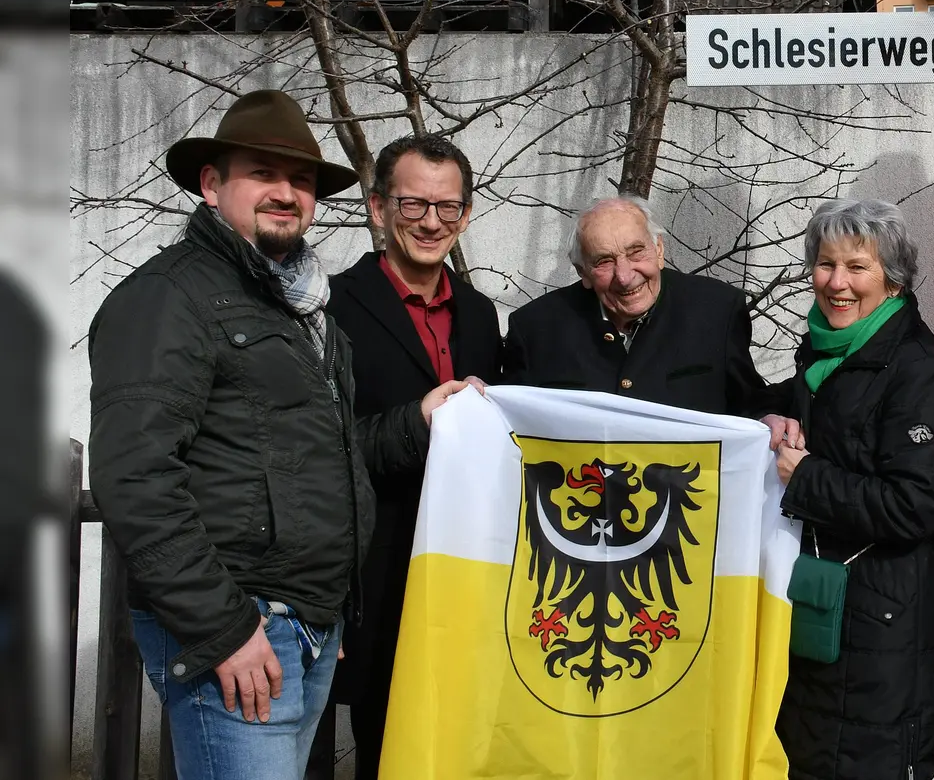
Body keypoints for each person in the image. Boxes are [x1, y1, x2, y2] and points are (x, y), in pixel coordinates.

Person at [87, 90, 480, 780]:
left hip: (304, 618)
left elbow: (324, 457)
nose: (286, 193)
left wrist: (419, 420)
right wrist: (223, 629)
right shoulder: (168, 297)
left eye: (299, 180)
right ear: (212, 184)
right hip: (241, 621)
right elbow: (136, 476)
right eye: (262, 174)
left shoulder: (295, 304)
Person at [307, 135, 503, 780]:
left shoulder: (479, 315)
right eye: (413, 203)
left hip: (457, 568)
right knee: (352, 744)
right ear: (377, 208)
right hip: (363, 569)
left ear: (466, 216)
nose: (430, 221)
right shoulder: (328, 307)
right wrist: (417, 422)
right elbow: (312, 445)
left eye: (448, 208)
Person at [763, 199, 934, 780]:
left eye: (857, 267)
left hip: (888, 626)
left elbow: (915, 505)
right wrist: (768, 416)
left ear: (893, 279)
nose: (837, 283)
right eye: (825, 265)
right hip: (825, 608)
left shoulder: (920, 369)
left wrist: (809, 479)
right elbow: (800, 416)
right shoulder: (824, 356)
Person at [501, 196, 766, 415]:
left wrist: (771, 417)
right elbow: (511, 425)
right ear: (583, 272)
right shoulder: (535, 330)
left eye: (636, 252)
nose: (625, 277)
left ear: (659, 250)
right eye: (604, 261)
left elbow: (751, 408)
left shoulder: (718, 311)